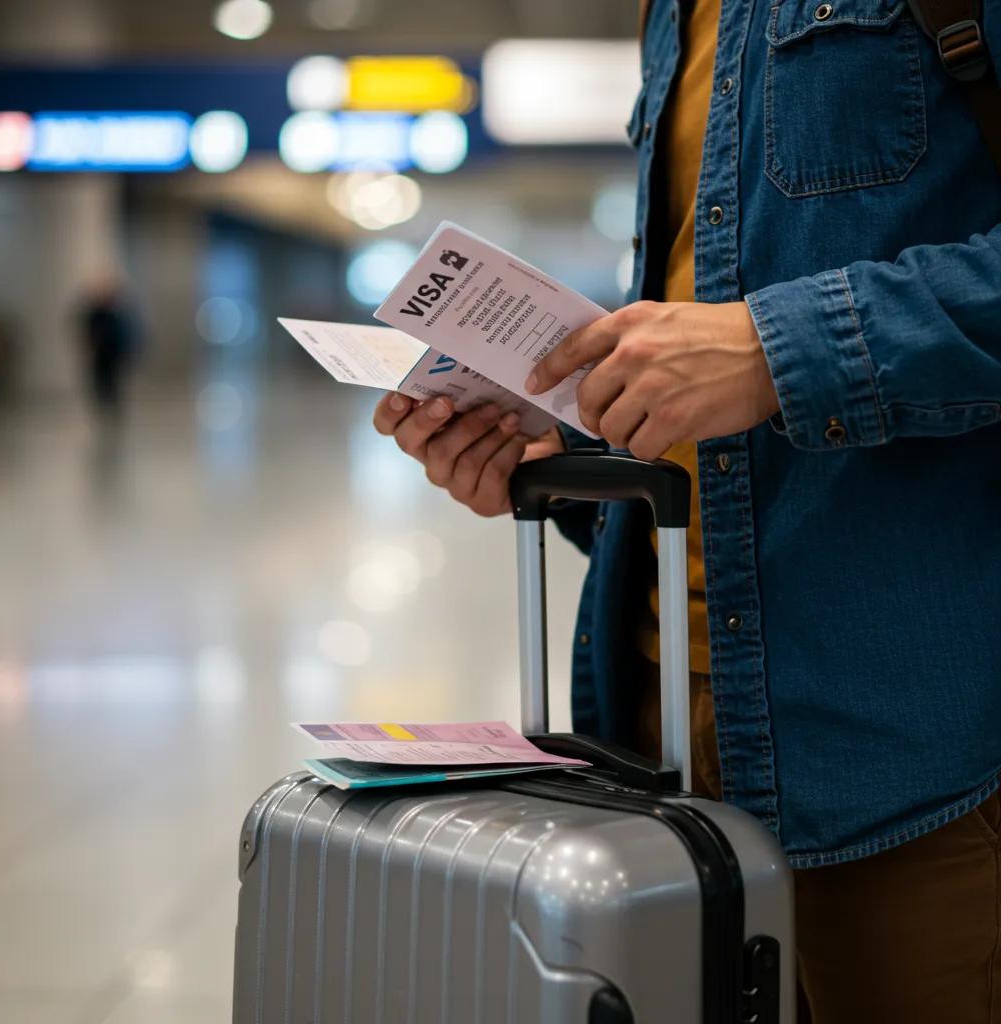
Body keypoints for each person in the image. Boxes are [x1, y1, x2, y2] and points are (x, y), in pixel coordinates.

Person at [373, 0, 1001, 1018]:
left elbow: (753, 347)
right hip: (661, 717)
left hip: (917, 734)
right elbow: (705, 374)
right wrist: (563, 458)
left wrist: (775, 348)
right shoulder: (676, 15)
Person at [75, 276, 140, 419]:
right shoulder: (95, 314)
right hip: (100, 355)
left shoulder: (116, 315)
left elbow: (124, 335)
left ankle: (113, 408)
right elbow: (87, 333)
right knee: (100, 381)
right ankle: (103, 407)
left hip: (112, 354)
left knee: (113, 382)